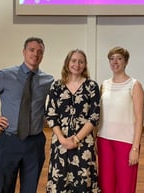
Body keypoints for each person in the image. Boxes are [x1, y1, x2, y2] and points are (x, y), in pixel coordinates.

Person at [0, 37, 54, 193]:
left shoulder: (48, 80)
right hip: (9, 141)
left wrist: (45, 117)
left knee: (30, 189)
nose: (35, 54)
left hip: (35, 143)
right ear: (24, 52)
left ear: (43, 55)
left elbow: (54, 105)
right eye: (32, 50)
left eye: (40, 51)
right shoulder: (5, 75)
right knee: (4, 187)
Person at [45, 49, 101, 192]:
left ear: (85, 65)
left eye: (81, 61)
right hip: (60, 142)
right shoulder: (56, 86)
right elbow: (51, 115)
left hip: (83, 143)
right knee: (60, 182)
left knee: (83, 181)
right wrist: (63, 140)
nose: (77, 64)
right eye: (74, 60)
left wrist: (76, 139)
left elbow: (94, 116)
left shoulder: (91, 86)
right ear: (67, 63)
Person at [97, 46, 144, 193]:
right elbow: (98, 116)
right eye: (112, 59)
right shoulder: (104, 85)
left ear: (126, 62)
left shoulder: (134, 85)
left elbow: (139, 120)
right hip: (104, 140)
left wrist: (135, 148)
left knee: (125, 186)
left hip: (126, 143)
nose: (115, 62)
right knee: (105, 185)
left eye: (119, 58)